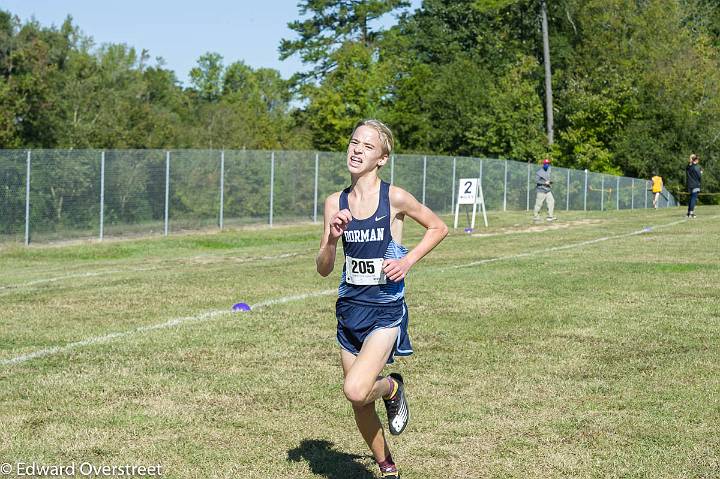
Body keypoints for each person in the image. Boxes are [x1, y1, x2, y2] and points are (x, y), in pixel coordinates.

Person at [316, 119, 448, 479]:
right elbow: (324, 268)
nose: (357, 150)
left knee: (356, 390)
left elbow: (439, 227)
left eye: (367, 146)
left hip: (384, 312)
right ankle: (386, 466)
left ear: (382, 158)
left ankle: (392, 386)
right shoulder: (334, 202)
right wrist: (331, 237)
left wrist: (407, 260)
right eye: (354, 142)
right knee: (359, 405)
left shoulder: (394, 197)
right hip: (349, 312)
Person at [686, 153, 702, 218]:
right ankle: (691, 213)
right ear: (696, 160)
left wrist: (691, 158)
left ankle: (688, 212)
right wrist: (701, 173)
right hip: (695, 184)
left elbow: (689, 164)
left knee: (691, 198)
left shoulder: (689, 167)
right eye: (698, 159)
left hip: (689, 184)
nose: (698, 160)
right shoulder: (697, 167)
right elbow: (699, 176)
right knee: (693, 198)